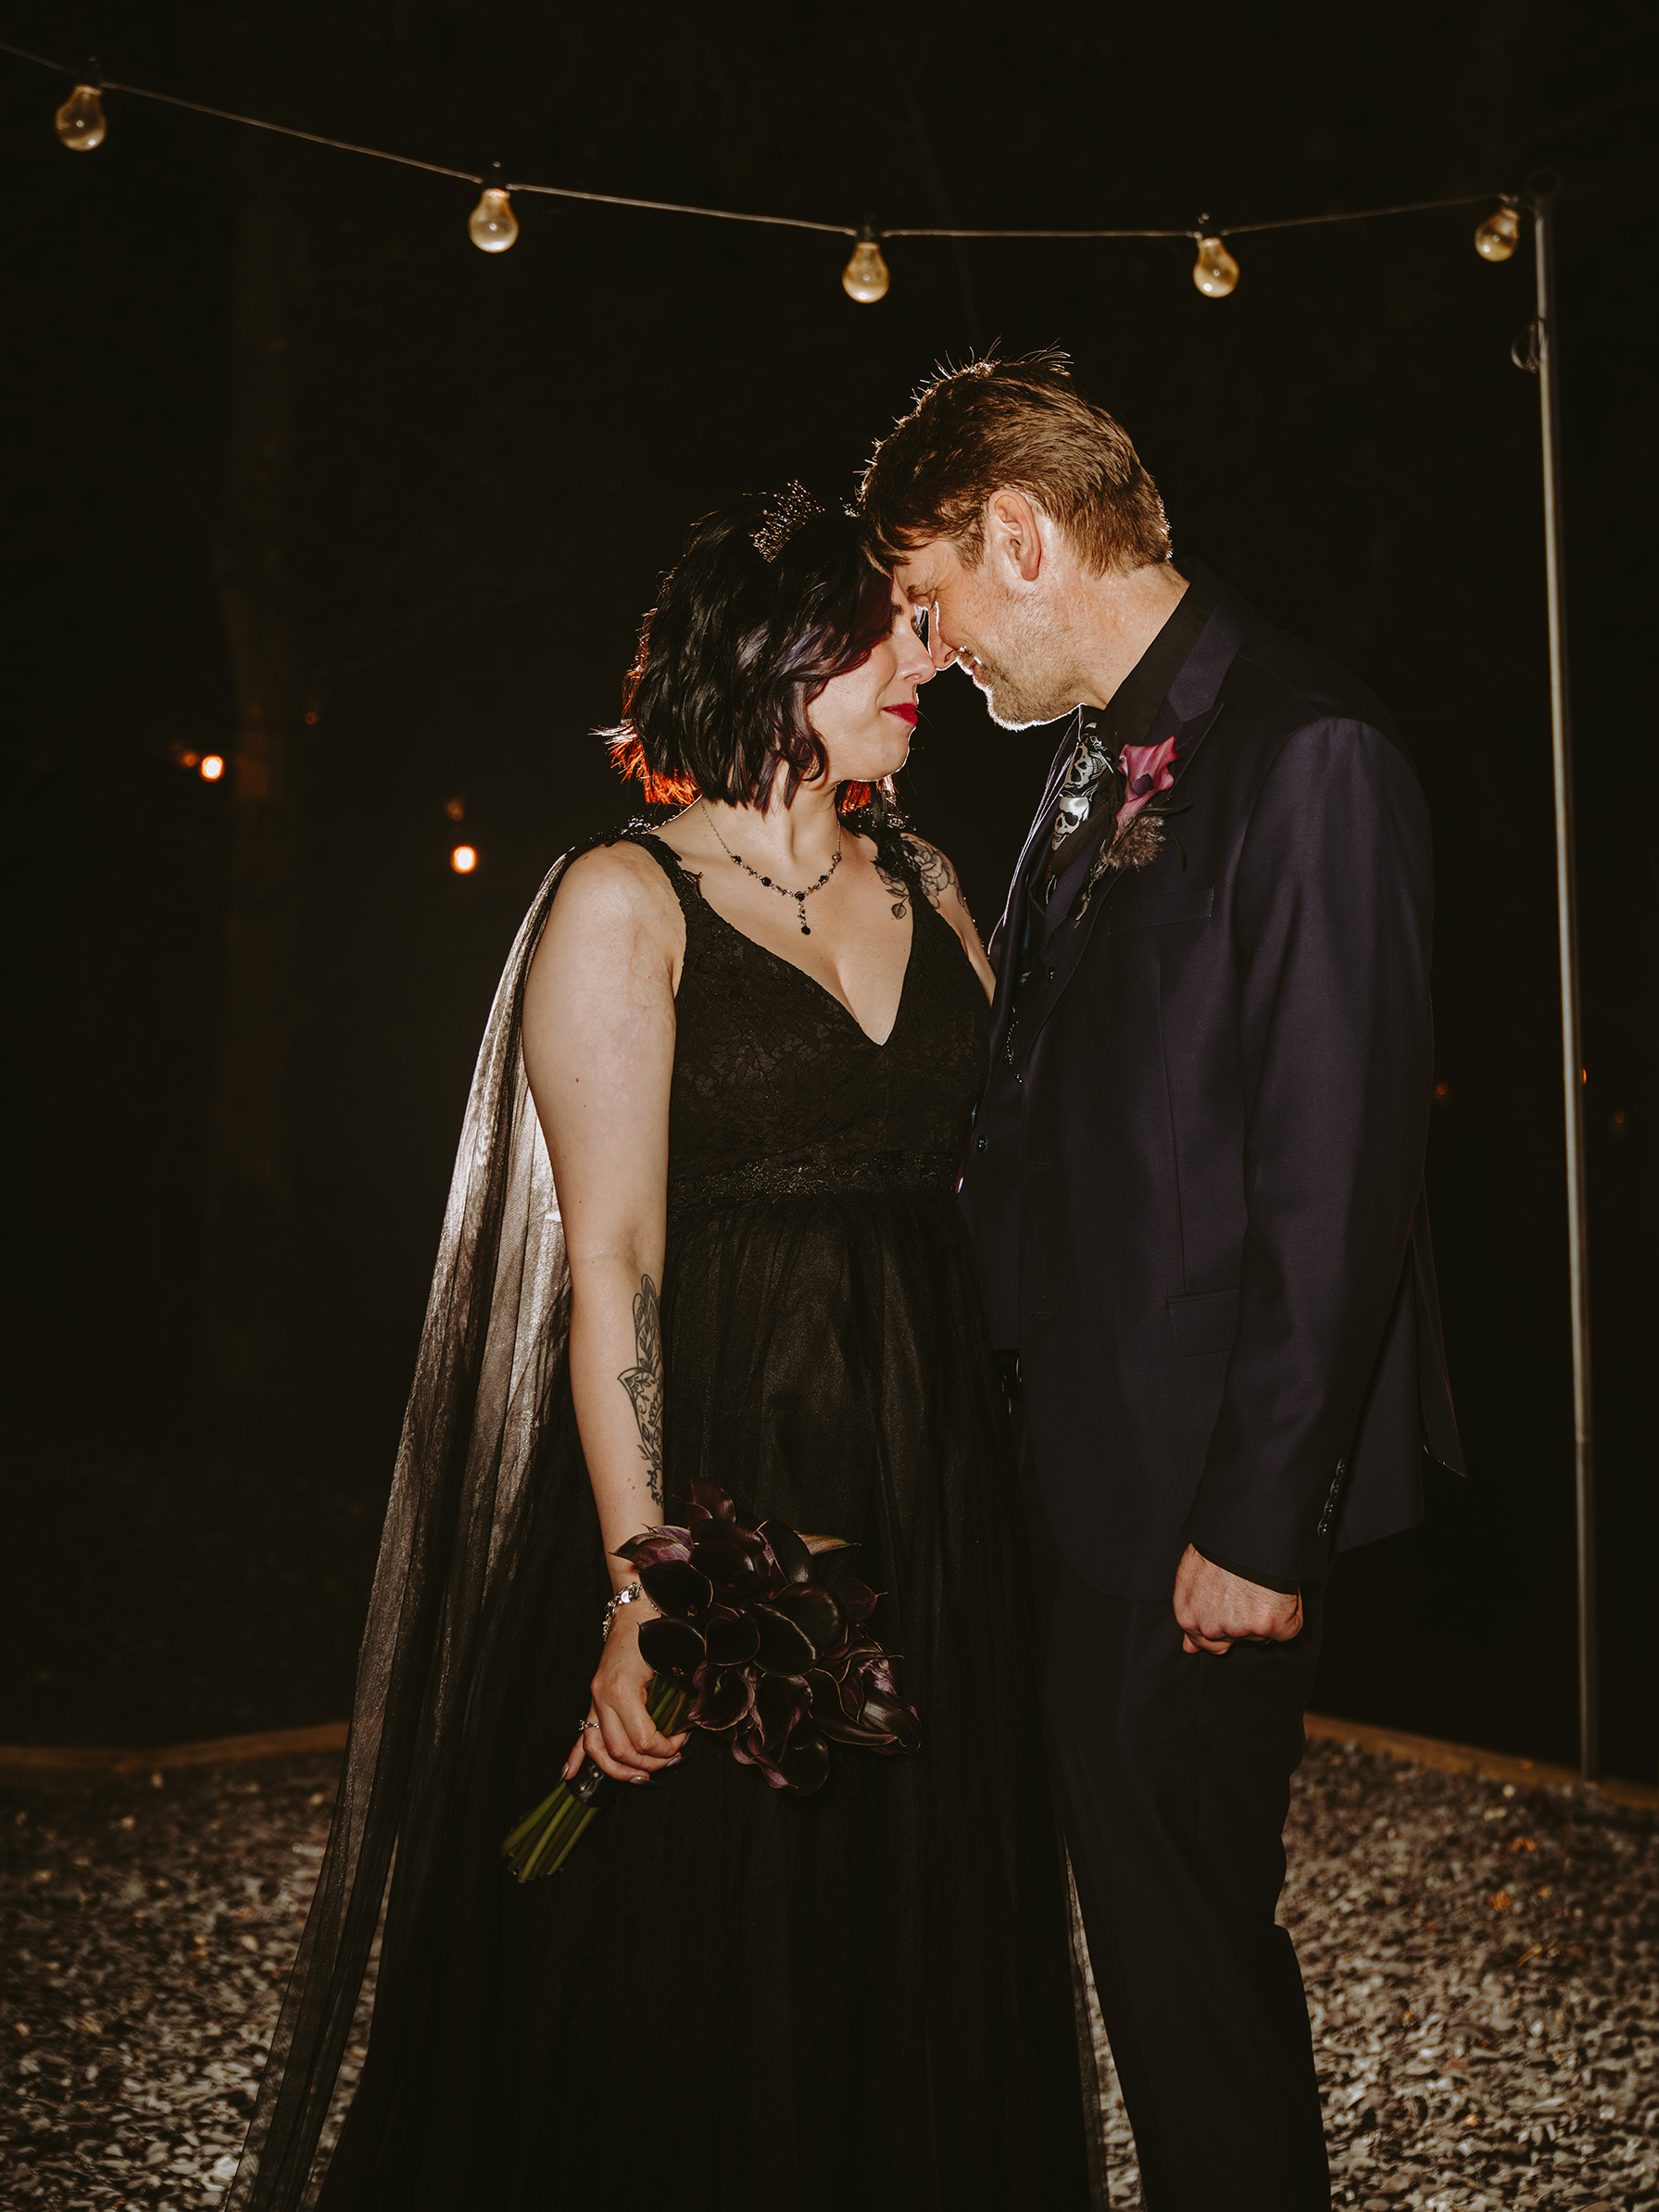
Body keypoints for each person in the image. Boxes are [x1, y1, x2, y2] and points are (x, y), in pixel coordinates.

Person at [230, 488, 1093, 2212]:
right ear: (778, 658)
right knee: (688, 1946)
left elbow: (1014, 1172)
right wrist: (653, 1586)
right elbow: (611, 1262)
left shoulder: (927, 875)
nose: (926, 651)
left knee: (912, 1932)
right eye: (886, 629)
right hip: (722, 1481)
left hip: (936, 1492)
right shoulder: (623, 905)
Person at [861, 355, 1465, 2212]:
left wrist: (1261, 1525)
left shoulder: (1310, 752)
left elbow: (1336, 1170)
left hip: (1199, 1503)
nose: (934, 646)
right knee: (1138, 1956)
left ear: (1018, 532)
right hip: (1081, 1477)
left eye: (932, 598)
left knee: (1188, 1977)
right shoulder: (1081, 773)